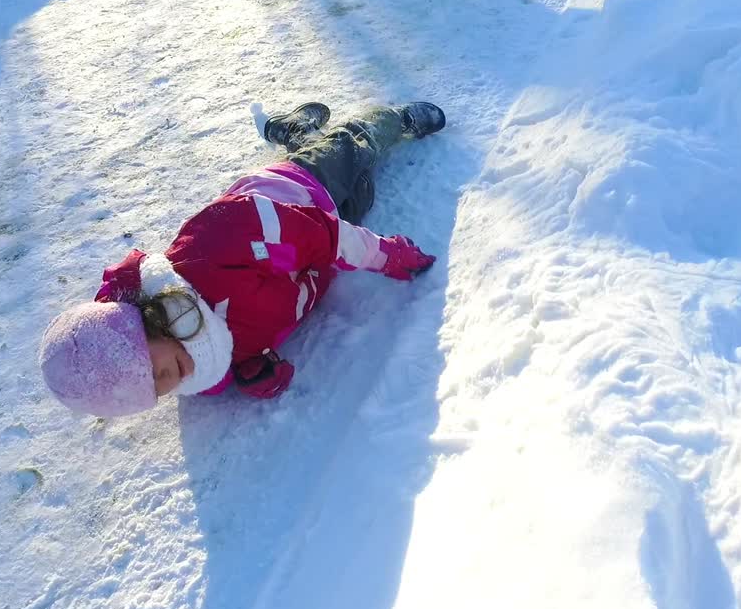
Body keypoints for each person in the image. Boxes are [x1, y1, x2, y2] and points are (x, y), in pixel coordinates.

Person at [38, 101, 446, 417]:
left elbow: (323, 236)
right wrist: (253, 369)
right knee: (363, 193)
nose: (166, 383)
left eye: (151, 368)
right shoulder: (196, 365)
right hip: (311, 258)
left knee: (354, 149)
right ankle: (299, 129)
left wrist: (385, 255)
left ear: (142, 322)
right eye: (153, 391)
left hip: (297, 192)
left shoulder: (217, 248)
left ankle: (397, 119)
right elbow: (236, 342)